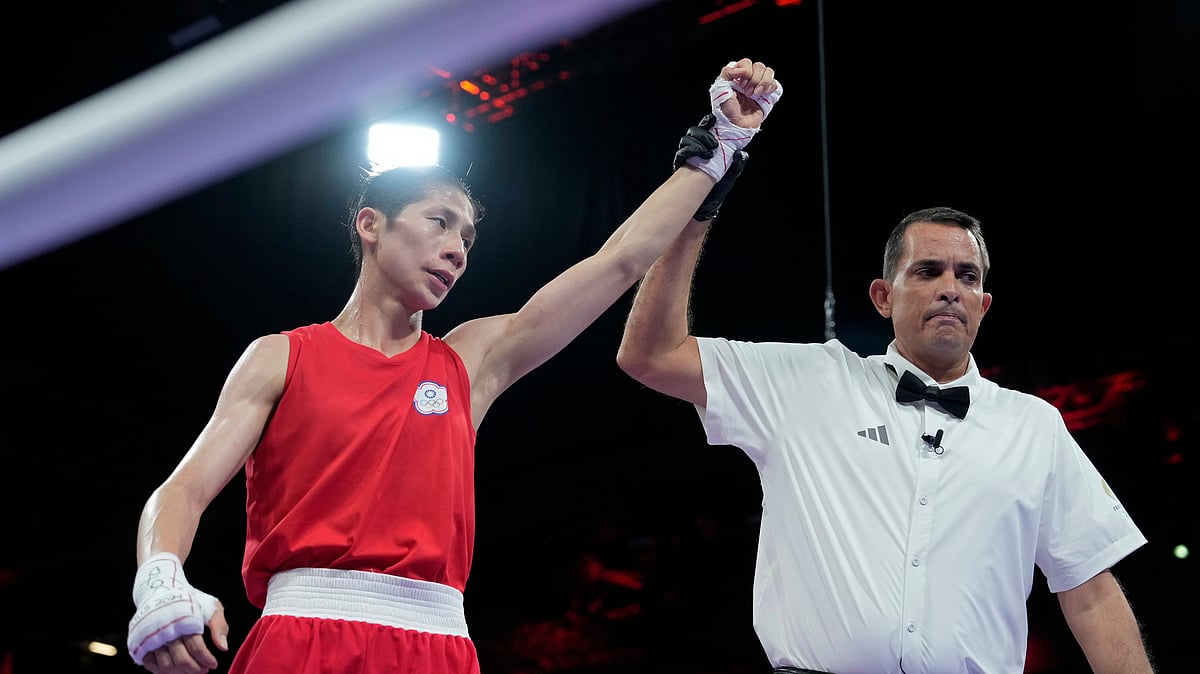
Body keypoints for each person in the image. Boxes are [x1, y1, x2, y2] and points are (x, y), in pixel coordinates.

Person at [124, 57, 781, 674]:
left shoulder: (471, 359)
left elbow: (618, 262)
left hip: (440, 644)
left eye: (467, 237)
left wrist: (718, 147)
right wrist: (159, 578)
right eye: (439, 222)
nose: (456, 249)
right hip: (304, 632)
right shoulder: (282, 357)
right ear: (371, 225)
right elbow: (182, 490)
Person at [616, 206, 1155, 673]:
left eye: (967, 276)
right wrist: (695, 216)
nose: (950, 288)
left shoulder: (1034, 425)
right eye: (928, 271)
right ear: (882, 296)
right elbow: (651, 355)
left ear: (983, 304)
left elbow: (1091, 590)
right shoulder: (810, 382)